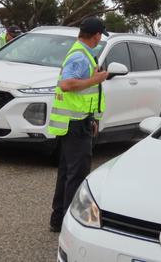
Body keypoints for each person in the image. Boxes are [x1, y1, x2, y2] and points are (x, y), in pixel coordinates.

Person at [48, 17, 109, 233]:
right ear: (96, 36)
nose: (100, 38)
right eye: (100, 35)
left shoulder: (81, 52)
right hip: (75, 124)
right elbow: (67, 84)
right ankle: (69, 224)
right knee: (77, 174)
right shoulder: (80, 56)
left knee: (66, 172)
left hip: (76, 121)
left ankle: (58, 219)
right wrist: (97, 79)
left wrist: (92, 118)